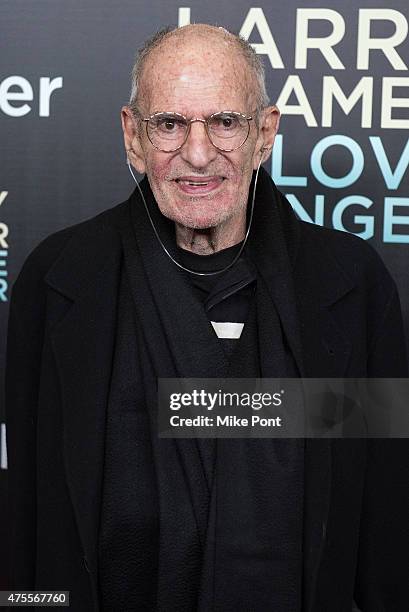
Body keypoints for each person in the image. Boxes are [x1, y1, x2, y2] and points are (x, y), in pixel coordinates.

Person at [5, 23, 409, 612]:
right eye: (168, 124)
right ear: (133, 137)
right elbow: (26, 513)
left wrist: (194, 405)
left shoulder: (351, 284)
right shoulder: (58, 277)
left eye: (225, 122)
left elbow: (383, 519)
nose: (197, 154)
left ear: (264, 133)